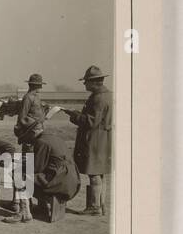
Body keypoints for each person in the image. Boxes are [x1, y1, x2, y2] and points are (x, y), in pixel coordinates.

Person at [62, 65, 112, 215]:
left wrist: (74, 116)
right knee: (100, 173)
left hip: (95, 140)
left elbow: (91, 122)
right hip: (104, 139)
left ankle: (94, 207)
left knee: (94, 173)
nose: (84, 84)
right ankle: (100, 205)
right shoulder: (108, 95)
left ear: (93, 82)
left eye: (86, 82)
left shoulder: (98, 98)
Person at [12, 117, 79, 224]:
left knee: (19, 175)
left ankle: (24, 212)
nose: (27, 141)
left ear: (33, 132)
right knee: (39, 177)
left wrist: (19, 164)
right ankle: (42, 206)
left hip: (60, 182)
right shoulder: (53, 137)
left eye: (26, 137)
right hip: (71, 180)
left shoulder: (41, 142)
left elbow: (36, 168)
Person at [15, 73, 45, 137]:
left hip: (39, 129)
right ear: (33, 86)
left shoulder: (36, 97)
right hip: (32, 131)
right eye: (39, 85)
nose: (41, 87)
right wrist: (32, 127)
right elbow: (22, 117)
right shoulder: (28, 97)